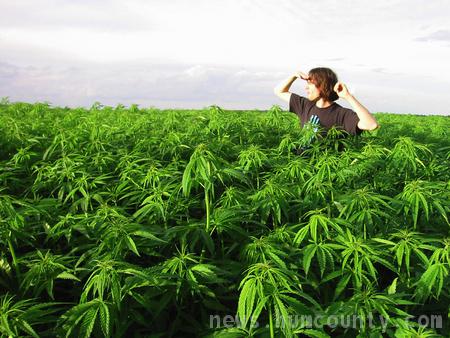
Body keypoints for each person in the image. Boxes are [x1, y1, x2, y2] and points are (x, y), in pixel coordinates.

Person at [273, 67, 378, 136]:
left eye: (310, 84)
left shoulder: (341, 114)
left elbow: (371, 125)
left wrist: (348, 96)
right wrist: (294, 76)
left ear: (323, 85)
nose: (306, 88)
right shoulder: (304, 105)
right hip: (303, 166)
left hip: (324, 168)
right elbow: (279, 91)